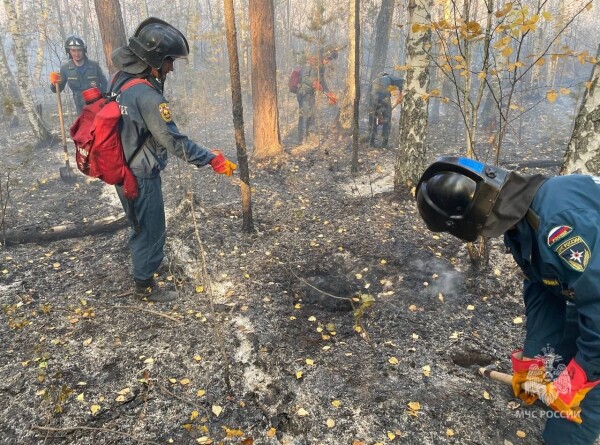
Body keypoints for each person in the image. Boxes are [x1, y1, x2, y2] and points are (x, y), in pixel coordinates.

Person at [415, 156, 600, 445]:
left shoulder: (557, 224)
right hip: (592, 295)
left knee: (574, 413)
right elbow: (544, 287)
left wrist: (582, 375)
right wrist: (535, 358)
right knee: (562, 362)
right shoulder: (522, 220)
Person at [110, 17, 237, 303]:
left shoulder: (121, 79)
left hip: (122, 168)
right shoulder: (147, 95)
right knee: (151, 227)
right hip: (141, 173)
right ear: (155, 58)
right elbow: (173, 140)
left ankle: (144, 267)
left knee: (140, 224)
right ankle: (144, 285)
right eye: (170, 60)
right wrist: (211, 159)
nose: (172, 67)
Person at [49, 35, 108, 114]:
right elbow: (58, 89)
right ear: (69, 51)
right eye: (73, 50)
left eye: (79, 50)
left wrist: (106, 101)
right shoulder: (65, 68)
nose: (77, 53)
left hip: (98, 106)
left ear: (84, 50)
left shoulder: (94, 66)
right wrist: (54, 83)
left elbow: (105, 85)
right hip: (80, 108)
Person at [296, 49, 338, 144]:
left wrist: (329, 93)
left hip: (311, 93)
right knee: (304, 114)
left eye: (330, 60)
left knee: (312, 114)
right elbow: (304, 77)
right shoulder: (309, 62)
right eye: (327, 59)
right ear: (323, 56)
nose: (328, 62)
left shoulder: (322, 67)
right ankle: (301, 138)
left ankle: (310, 136)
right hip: (303, 92)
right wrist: (314, 82)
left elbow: (322, 81)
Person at [368, 72, 403, 148]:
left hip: (373, 100)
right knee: (387, 120)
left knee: (373, 120)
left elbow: (374, 98)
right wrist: (401, 95)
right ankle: (384, 144)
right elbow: (402, 82)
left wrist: (379, 115)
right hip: (385, 99)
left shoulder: (374, 81)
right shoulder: (389, 77)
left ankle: (371, 142)